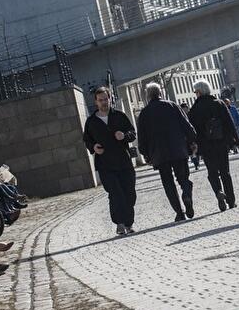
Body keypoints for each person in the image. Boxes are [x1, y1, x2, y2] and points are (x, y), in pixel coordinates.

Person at [137, 83, 198, 222]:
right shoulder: (172, 106)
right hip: (178, 149)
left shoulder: (144, 113)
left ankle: (179, 212)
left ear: (147, 96)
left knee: (168, 183)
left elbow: (142, 136)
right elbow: (186, 125)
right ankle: (186, 194)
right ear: (160, 93)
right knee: (183, 178)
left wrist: (145, 153)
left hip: (159, 154)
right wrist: (192, 140)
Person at [83, 87, 138, 236]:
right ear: (96, 102)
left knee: (129, 193)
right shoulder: (91, 122)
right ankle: (119, 224)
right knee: (115, 193)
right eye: (100, 100)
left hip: (124, 162)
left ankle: (128, 223)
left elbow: (132, 133)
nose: (104, 102)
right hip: (105, 165)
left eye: (106, 99)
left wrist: (124, 136)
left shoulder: (119, 116)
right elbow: (87, 140)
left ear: (110, 99)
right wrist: (94, 147)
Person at [188, 80, 239, 212]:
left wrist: (194, 147)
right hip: (221, 143)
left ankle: (218, 191)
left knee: (212, 172)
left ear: (199, 92)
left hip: (206, 146)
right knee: (225, 172)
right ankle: (231, 201)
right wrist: (235, 142)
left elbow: (192, 131)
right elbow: (229, 124)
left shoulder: (194, 109)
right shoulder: (219, 104)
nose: (195, 94)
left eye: (195, 92)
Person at [180, 102, 201, 170]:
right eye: (183, 109)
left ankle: (197, 161)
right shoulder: (181, 117)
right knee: (191, 151)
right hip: (187, 137)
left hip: (194, 134)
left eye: (186, 108)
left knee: (196, 150)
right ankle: (196, 164)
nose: (185, 110)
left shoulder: (192, 114)